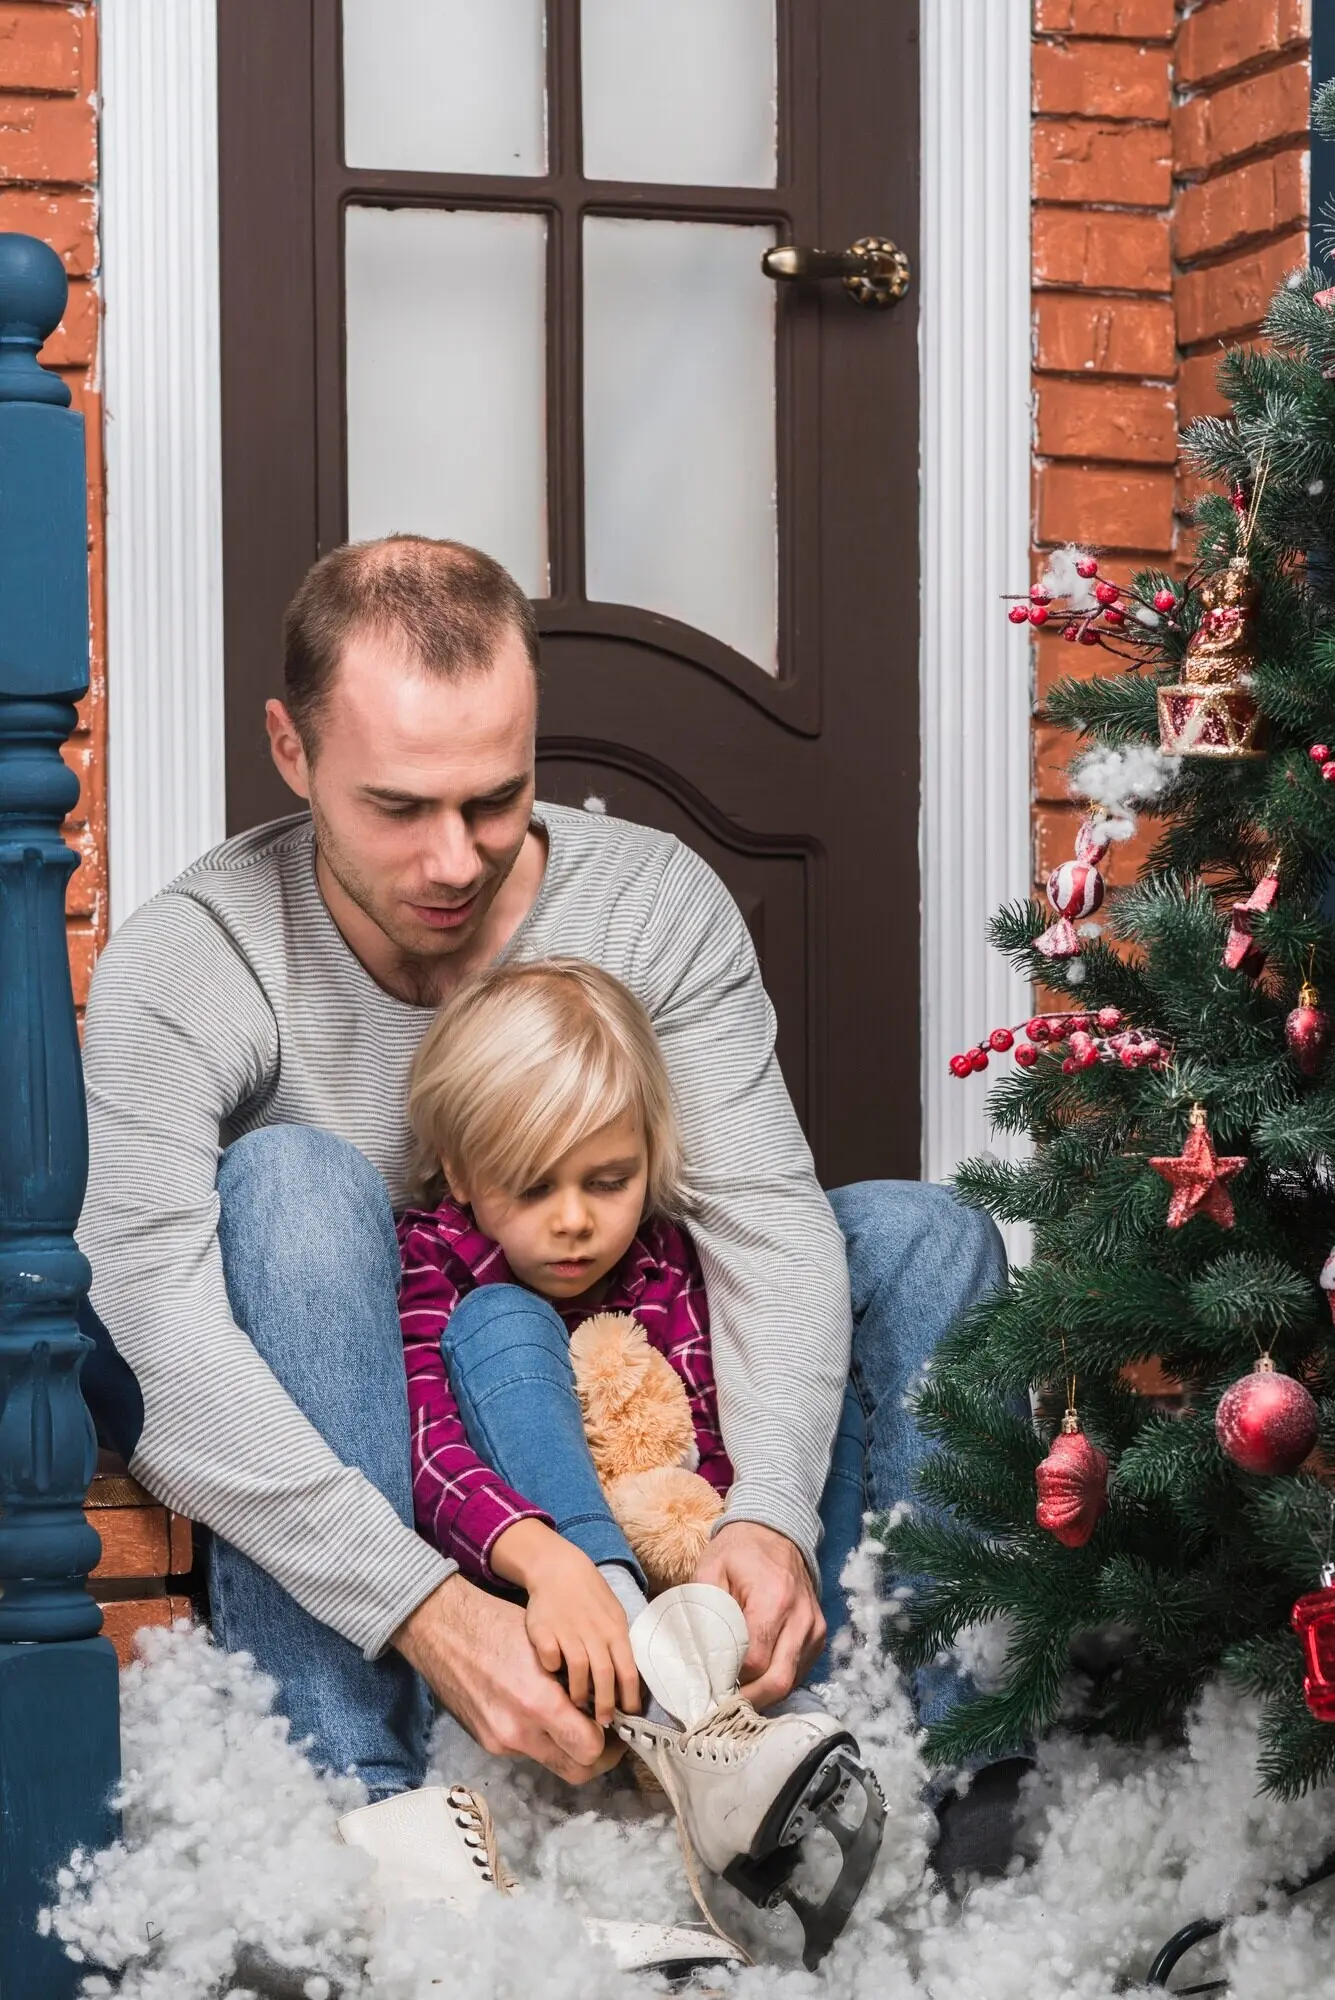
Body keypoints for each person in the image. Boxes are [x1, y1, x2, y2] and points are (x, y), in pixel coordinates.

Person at [77, 534, 1006, 1818]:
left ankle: (912, 1790)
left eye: (495, 799)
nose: (455, 858)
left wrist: (773, 1513)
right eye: (398, 807)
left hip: (648, 1394)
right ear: (291, 752)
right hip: (401, 1452)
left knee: (925, 1235)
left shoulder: (655, 906)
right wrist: (423, 1603)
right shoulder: (192, 957)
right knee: (291, 1182)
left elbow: (769, 1228)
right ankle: (359, 1801)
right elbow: (144, 1322)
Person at [391, 955, 886, 1954]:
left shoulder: (664, 1261)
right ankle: (662, 1693)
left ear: (649, 1159)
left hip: (683, 1598)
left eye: (607, 1180)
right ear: (459, 1172)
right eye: (532, 1186)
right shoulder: (431, 1259)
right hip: (546, 1598)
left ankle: (758, 1724)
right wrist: (555, 1558)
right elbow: (427, 1449)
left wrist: (719, 1573)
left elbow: (705, 1437)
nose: (575, 1218)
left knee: (811, 1390)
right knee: (500, 1320)